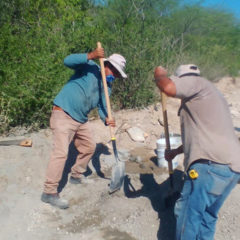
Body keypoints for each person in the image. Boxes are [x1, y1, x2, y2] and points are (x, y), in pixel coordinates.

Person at [154, 64, 240, 240]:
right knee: (207, 217)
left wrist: (159, 74)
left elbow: (168, 87)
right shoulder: (210, 96)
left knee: (188, 215)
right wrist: (176, 151)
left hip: (210, 166)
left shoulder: (195, 82)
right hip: (230, 169)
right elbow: (201, 134)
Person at [41, 46, 127, 209]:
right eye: (115, 73)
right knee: (61, 153)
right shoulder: (90, 67)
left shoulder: (107, 87)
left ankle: (76, 176)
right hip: (63, 112)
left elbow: (103, 107)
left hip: (80, 119)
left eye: (117, 75)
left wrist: (107, 119)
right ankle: (49, 192)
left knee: (89, 147)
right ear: (108, 66)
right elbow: (67, 61)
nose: (115, 77)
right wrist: (91, 55)